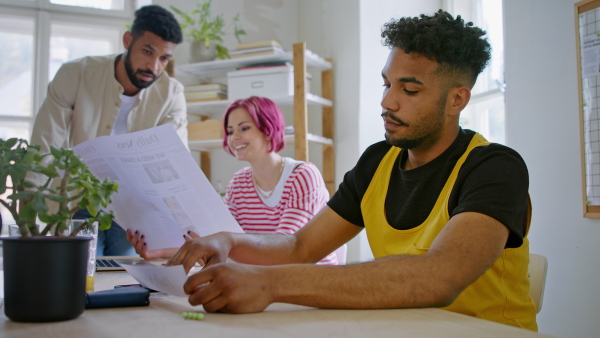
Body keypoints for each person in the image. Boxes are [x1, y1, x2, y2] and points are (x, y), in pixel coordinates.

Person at [164, 10, 538, 331]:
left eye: (409, 90)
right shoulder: (377, 162)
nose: (386, 101)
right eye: (387, 83)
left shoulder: (495, 168)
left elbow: (439, 277)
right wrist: (229, 241)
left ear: (457, 99)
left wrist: (268, 284)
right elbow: (301, 245)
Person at [30, 5, 187, 256]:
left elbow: (175, 163)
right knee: (78, 277)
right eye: (147, 51)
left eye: (164, 58)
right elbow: (44, 145)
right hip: (76, 200)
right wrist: (33, 211)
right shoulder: (76, 74)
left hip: (135, 210)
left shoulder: (172, 93)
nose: (154, 66)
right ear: (128, 40)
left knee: (123, 280)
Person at [128, 96, 337, 264]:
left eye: (244, 128)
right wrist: (157, 252)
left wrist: (225, 247)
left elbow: (285, 250)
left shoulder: (302, 176)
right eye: (230, 131)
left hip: (307, 281)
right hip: (262, 279)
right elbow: (217, 240)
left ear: (268, 128)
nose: (234, 137)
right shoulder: (239, 183)